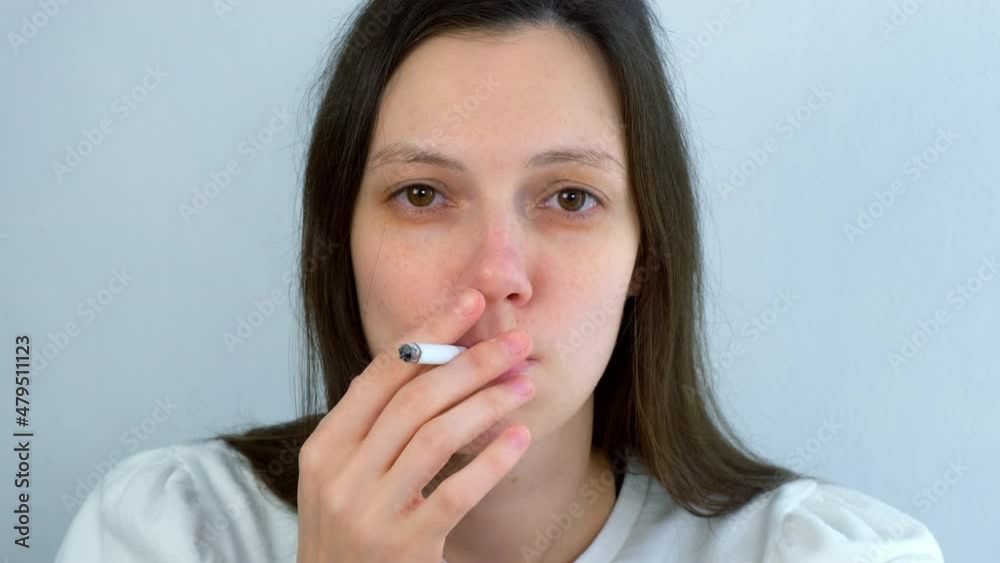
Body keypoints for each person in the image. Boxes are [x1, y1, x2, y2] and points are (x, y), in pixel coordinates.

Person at [54, 1, 945, 561]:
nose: (496, 275)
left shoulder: (826, 552)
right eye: (422, 194)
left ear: (646, 255)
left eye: (570, 197)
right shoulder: (171, 531)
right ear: (340, 241)